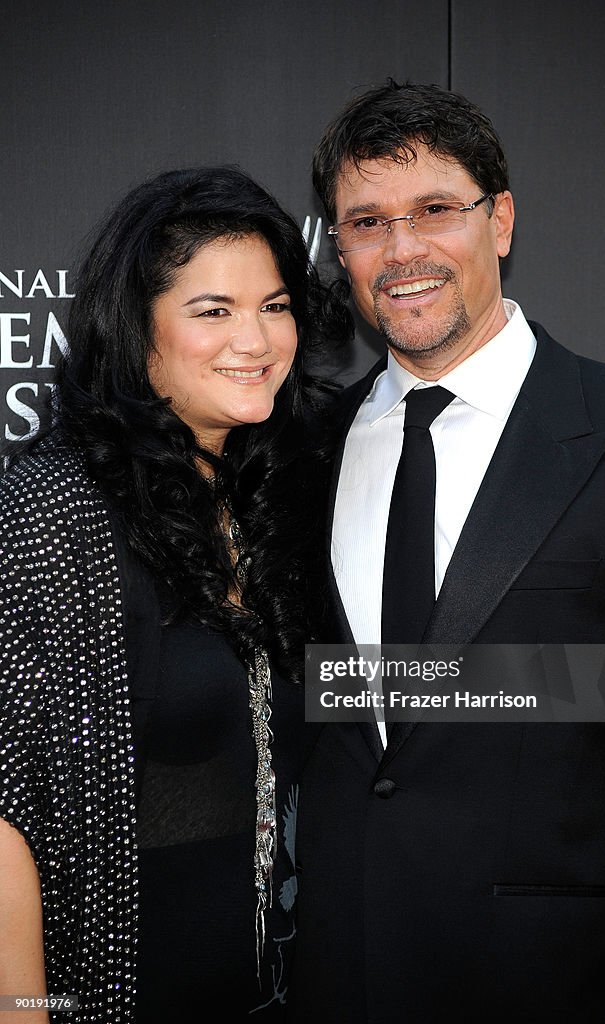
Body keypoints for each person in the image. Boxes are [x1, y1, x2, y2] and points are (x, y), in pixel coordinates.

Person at [290, 81, 605, 1022]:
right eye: (366, 222)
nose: (402, 250)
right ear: (339, 248)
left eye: (436, 210)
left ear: (502, 220)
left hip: (555, 986)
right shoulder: (296, 453)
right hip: (336, 975)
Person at [0, 165, 349, 1023]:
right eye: (213, 311)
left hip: (272, 996)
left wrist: (597, 684)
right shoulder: (53, 508)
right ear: (138, 330)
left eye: (274, 306)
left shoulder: (272, 500)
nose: (257, 339)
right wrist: (22, 1008)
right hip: (119, 997)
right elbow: (4, 810)